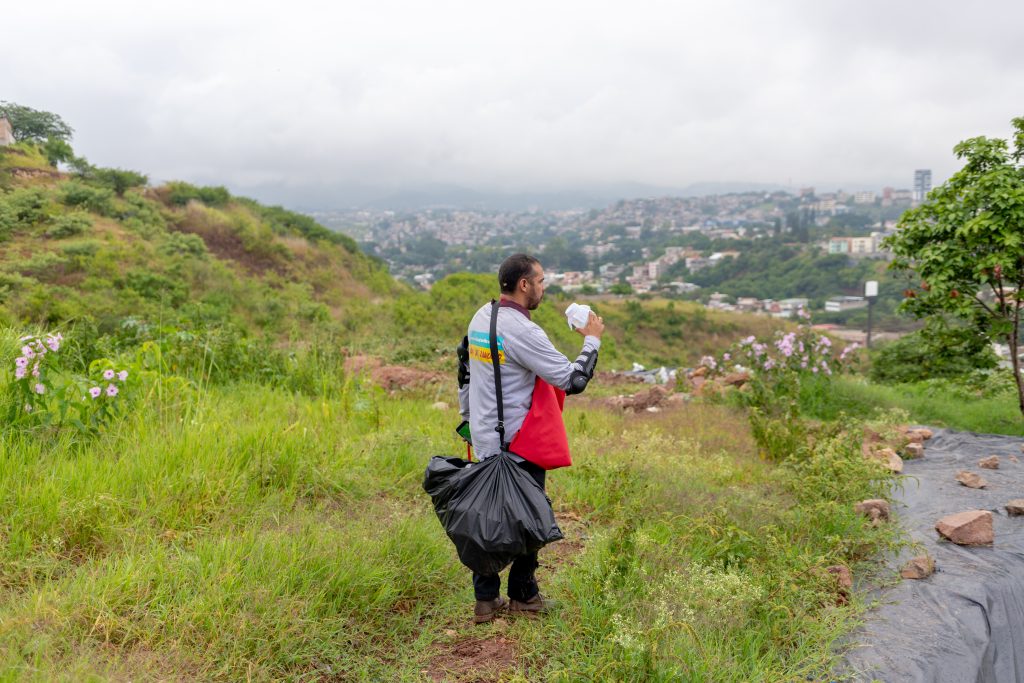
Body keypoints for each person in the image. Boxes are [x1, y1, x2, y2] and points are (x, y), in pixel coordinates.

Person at [457, 253, 605, 623]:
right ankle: (523, 596)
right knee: (530, 517)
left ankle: (485, 600)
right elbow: (573, 380)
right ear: (524, 285)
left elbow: (464, 369)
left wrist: (467, 420)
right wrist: (592, 340)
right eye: (540, 281)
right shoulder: (524, 331)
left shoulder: (481, 316)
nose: (543, 288)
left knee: (485, 518)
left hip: (485, 438)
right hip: (518, 444)